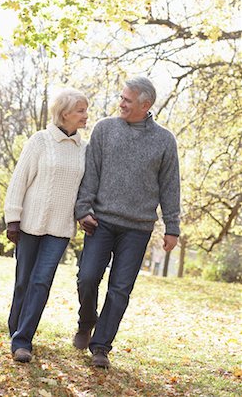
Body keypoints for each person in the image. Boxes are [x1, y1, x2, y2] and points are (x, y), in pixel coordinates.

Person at [73, 76, 180, 368]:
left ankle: (101, 347)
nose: (121, 103)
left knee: (120, 288)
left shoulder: (164, 140)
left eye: (127, 100)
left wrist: (172, 227)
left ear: (145, 105)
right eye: (121, 97)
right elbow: (90, 172)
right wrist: (83, 209)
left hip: (138, 227)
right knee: (88, 276)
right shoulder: (105, 129)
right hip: (101, 221)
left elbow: (170, 186)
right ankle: (86, 321)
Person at [4, 88, 88, 363]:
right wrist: (13, 218)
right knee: (23, 282)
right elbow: (20, 180)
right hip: (29, 224)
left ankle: (23, 340)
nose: (86, 115)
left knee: (41, 283)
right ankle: (14, 328)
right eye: (81, 110)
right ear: (65, 113)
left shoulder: (84, 149)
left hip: (60, 229)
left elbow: (86, 189)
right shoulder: (40, 141)